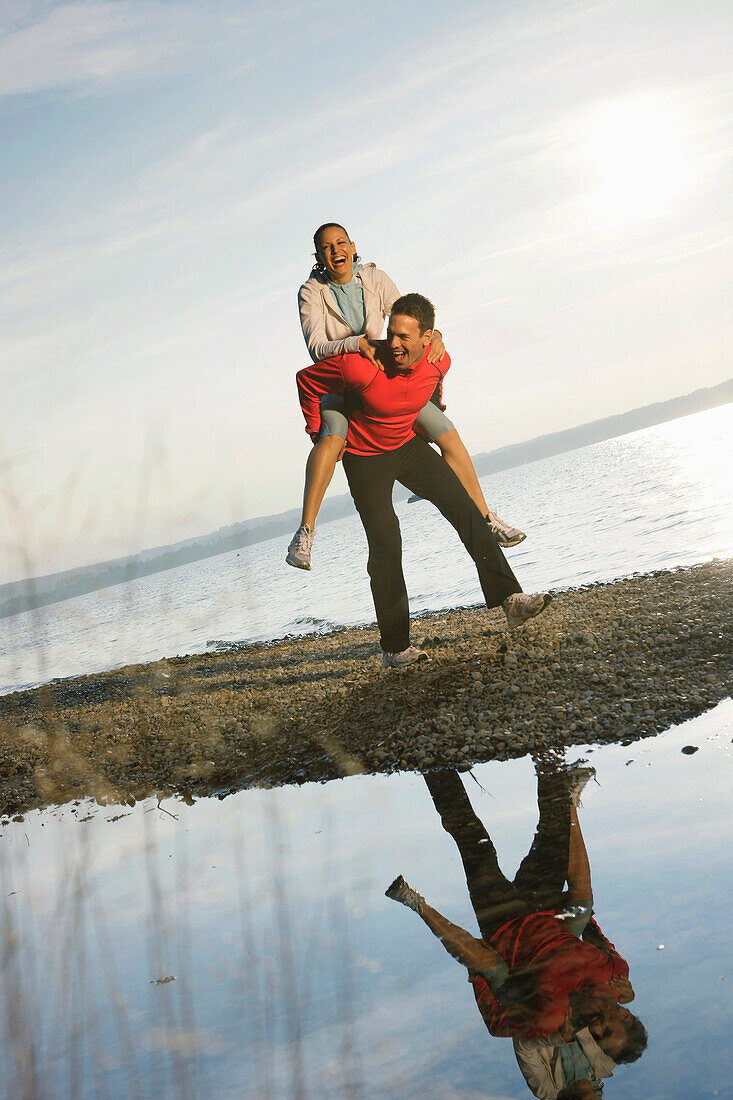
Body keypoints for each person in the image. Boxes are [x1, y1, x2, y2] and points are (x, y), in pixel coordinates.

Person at [295, 293, 551, 666]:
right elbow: (306, 380)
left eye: (404, 337)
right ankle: (395, 648)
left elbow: (434, 384)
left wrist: (432, 408)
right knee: (386, 545)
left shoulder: (438, 360)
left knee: (465, 510)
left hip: (407, 446)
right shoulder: (360, 366)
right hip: (365, 457)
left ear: (427, 339)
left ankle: (510, 599)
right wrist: (319, 431)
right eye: (391, 333)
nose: (393, 344)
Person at [385, 763, 647, 1094]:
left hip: (509, 946)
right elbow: (600, 951)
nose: (595, 1030)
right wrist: (582, 918)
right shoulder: (610, 1004)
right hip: (548, 918)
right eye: (605, 1031)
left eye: (598, 1036)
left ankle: (435, 768)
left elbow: (519, 1040)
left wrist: (480, 979)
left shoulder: (547, 1083)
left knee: (472, 841)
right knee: (570, 873)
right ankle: (552, 764)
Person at [286, 223, 526, 570]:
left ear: (353, 247)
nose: (335, 251)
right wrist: (358, 344)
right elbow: (318, 348)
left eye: (341, 243)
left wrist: (435, 334)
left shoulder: (374, 278)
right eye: (326, 247)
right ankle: (305, 534)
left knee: (447, 431)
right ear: (319, 256)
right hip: (342, 381)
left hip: (384, 377)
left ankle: (487, 517)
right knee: (331, 435)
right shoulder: (311, 292)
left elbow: (408, 318)